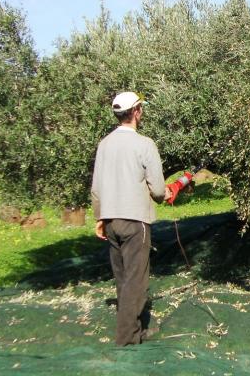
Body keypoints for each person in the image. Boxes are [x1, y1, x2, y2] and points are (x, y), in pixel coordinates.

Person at [91, 91, 171, 346]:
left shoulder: (104, 144)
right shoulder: (145, 144)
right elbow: (158, 189)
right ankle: (126, 340)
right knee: (136, 282)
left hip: (111, 221)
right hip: (136, 222)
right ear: (136, 112)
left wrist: (99, 218)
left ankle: (135, 331)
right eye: (141, 108)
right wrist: (165, 193)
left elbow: (96, 187)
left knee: (123, 279)